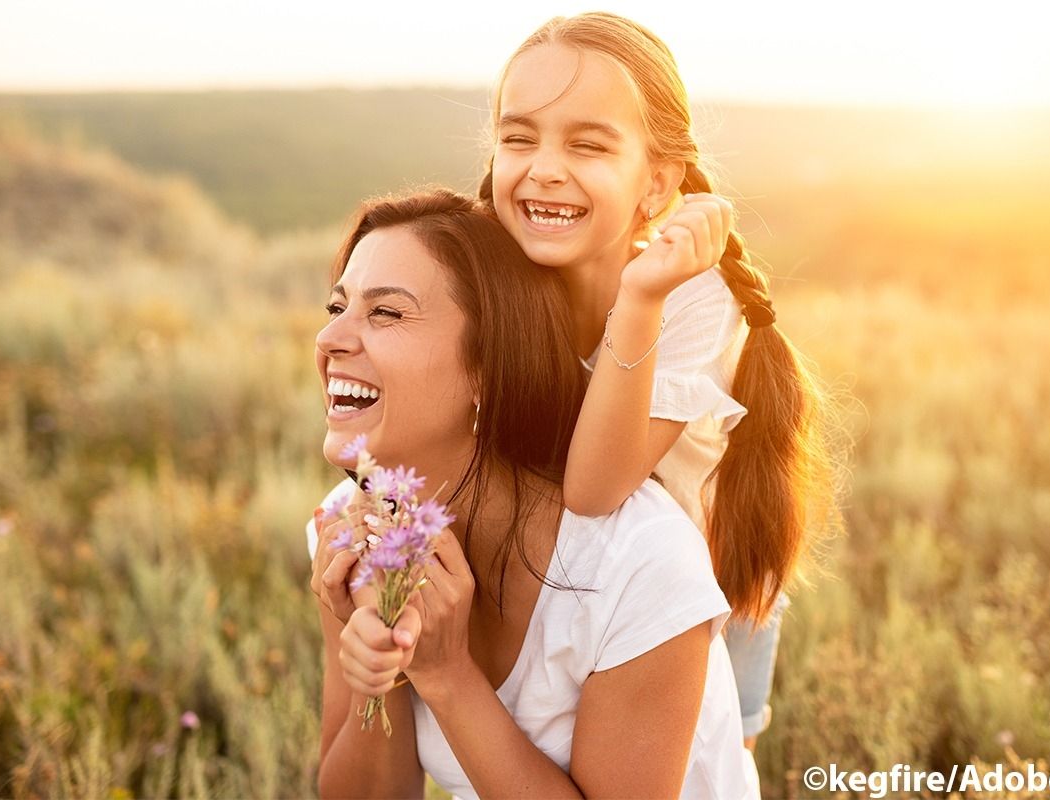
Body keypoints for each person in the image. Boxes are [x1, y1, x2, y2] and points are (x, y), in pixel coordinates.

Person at [309, 190, 759, 799]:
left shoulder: (637, 563)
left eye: (385, 313)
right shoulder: (352, 535)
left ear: (487, 369)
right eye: (337, 306)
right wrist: (378, 664)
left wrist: (445, 675)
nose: (330, 337)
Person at [475, 12, 840, 749]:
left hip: (699, 611)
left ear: (657, 183)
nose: (544, 166)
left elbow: (595, 488)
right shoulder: (491, 282)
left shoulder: (694, 299)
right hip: (565, 607)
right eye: (519, 138)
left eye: (588, 144)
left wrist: (640, 299)